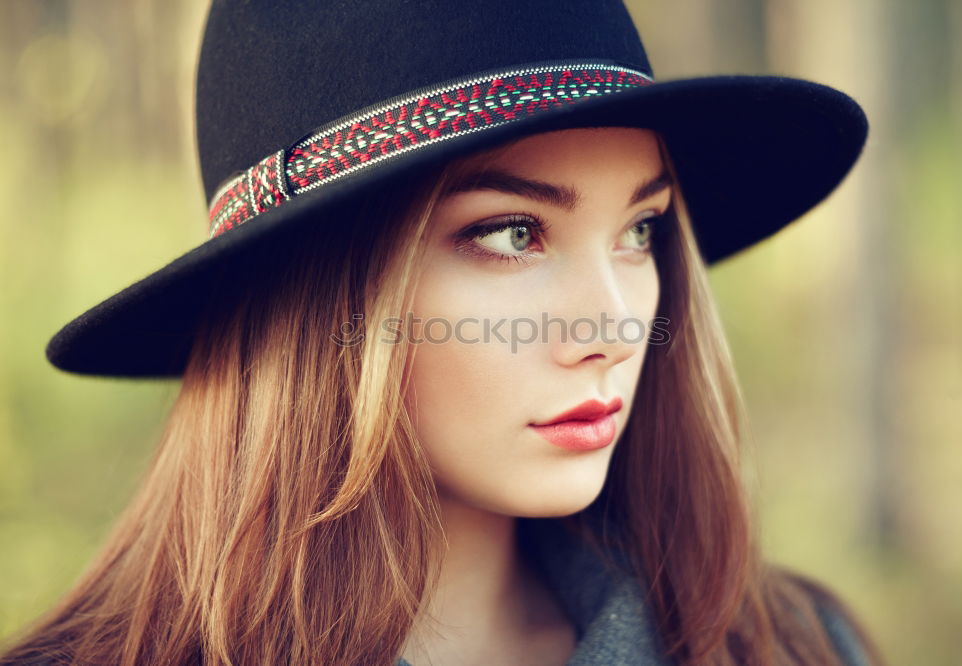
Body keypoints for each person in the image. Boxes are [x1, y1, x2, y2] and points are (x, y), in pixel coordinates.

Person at [1, 1, 883, 664]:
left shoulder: (794, 646)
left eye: (641, 229)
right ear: (313, 303)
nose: (613, 326)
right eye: (513, 234)